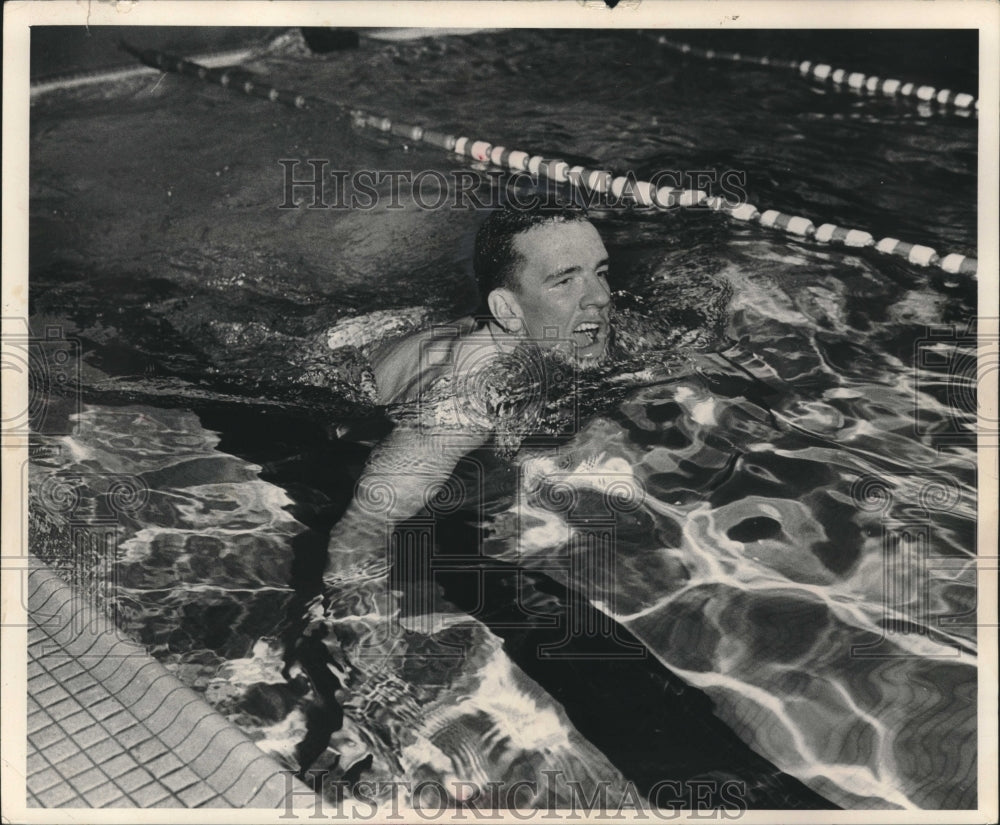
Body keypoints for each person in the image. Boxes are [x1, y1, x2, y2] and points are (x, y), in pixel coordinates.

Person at [321, 205, 613, 585]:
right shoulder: (470, 389)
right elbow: (369, 522)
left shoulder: (566, 333)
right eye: (564, 281)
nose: (600, 297)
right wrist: (356, 607)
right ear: (508, 310)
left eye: (600, 272)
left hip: (402, 328)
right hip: (330, 363)